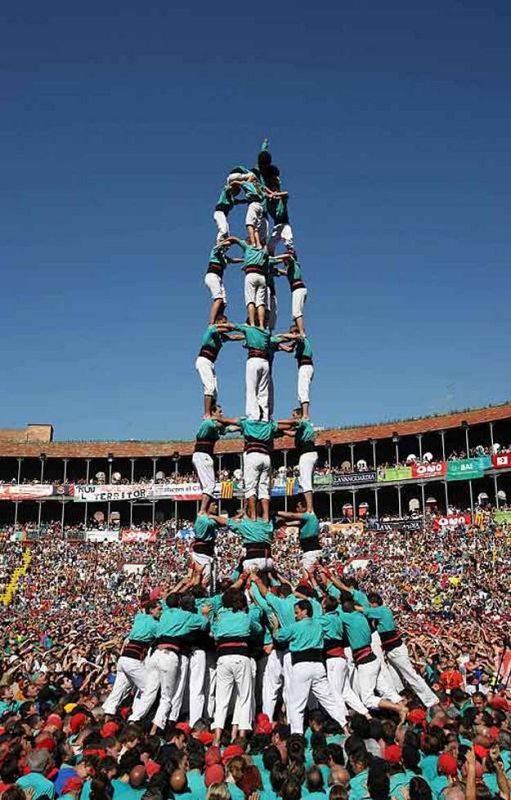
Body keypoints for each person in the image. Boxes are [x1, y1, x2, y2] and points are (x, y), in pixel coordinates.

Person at [130, 593, 210, 733]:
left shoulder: (165, 614)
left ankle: (133, 720)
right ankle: (157, 729)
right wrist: (204, 614)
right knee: (167, 696)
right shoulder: (184, 615)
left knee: (149, 691)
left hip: (155, 655)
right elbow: (204, 624)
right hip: (169, 655)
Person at [271, 599, 348, 735]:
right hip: (318, 666)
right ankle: (345, 725)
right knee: (329, 700)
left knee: (296, 704)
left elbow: (279, 636)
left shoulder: (296, 626)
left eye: (297, 612)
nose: (295, 615)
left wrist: (275, 626)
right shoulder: (319, 625)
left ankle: (297, 734)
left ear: (305, 611)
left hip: (301, 666)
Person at [364, 592, 439, 709]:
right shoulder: (378, 615)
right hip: (390, 651)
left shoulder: (382, 610)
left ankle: (431, 701)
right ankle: (405, 702)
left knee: (411, 676)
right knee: (396, 680)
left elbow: (364, 611)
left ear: (374, 603)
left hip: (396, 650)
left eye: (369, 604)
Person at [211, 589, 262, 744]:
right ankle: (241, 736)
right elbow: (258, 629)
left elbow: (214, 632)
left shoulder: (221, 618)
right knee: (244, 697)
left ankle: (217, 737)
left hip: (223, 658)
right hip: (241, 657)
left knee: (221, 700)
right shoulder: (245, 617)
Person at [102, 600, 162, 718]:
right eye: (159, 609)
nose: (161, 612)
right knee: (149, 689)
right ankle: (135, 718)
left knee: (117, 692)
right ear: (151, 610)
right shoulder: (155, 625)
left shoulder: (139, 617)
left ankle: (106, 717)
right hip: (133, 660)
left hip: (123, 659)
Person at [192, 407, 239, 515]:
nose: (222, 413)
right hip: (203, 455)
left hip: (202, 456)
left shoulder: (216, 427)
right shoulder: (207, 423)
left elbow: (229, 429)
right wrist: (235, 421)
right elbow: (220, 424)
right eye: (219, 412)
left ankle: (205, 509)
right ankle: (202, 510)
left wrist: (241, 425)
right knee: (210, 486)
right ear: (213, 413)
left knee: (206, 486)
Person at [195, 318, 240, 418]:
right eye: (224, 322)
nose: (225, 324)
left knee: (215, 391)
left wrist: (247, 335)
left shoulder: (220, 337)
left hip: (211, 363)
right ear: (218, 322)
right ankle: (206, 414)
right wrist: (240, 327)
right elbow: (228, 329)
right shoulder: (211, 329)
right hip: (204, 360)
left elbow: (233, 337)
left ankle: (212, 412)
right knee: (209, 387)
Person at [204, 243, 243, 325]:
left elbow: (233, 260)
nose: (227, 249)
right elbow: (219, 246)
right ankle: (211, 323)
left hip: (219, 279)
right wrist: (227, 242)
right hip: (212, 276)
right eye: (226, 248)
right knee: (218, 299)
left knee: (224, 303)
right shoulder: (215, 251)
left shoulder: (224, 258)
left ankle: (219, 318)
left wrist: (244, 260)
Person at [276, 500, 322, 570]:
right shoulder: (307, 519)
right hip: (313, 550)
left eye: (298, 507)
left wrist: (275, 512)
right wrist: (283, 523)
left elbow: (292, 515)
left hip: (310, 552)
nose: (296, 509)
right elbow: (294, 523)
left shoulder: (309, 515)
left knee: (307, 575)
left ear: (304, 508)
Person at [291, 406, 318, 508]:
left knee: (305, 482)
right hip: (311, 454)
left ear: (299, 415)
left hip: (306, 454)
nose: (293, 418)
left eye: (294, 416)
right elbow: (292, 433)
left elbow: (293, 424)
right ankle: (310, 507)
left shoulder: (303, 422)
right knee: (308, 482)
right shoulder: (303, 427)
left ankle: (310, 509)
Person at [277, 254, 308, 336]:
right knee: (296, 313)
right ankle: (298, 329)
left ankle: (301, 333)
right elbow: (282, 272)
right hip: (298, 289)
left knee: (296, 313)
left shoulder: (293, 263)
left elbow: (288, 257)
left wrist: (273, 258)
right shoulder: (290, 269)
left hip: (298, 289)